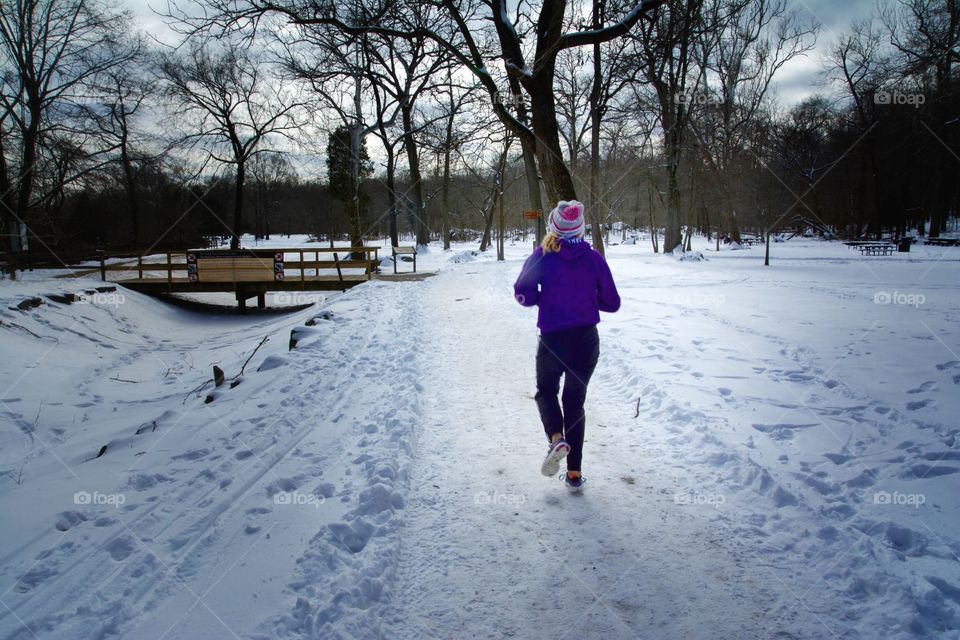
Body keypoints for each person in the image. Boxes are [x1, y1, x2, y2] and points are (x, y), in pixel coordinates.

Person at [513, 200, 621, 491]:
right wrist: (585, 301)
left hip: (553, 340)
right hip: (585, 340)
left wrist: (544, 299)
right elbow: (613, 302)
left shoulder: (543, 255)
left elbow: (522, 291)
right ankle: (574, 474)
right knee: (574, 403)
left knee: (546, 392)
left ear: (553, 227)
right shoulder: (594, 258)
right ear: (580, 228)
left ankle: (556, 439)